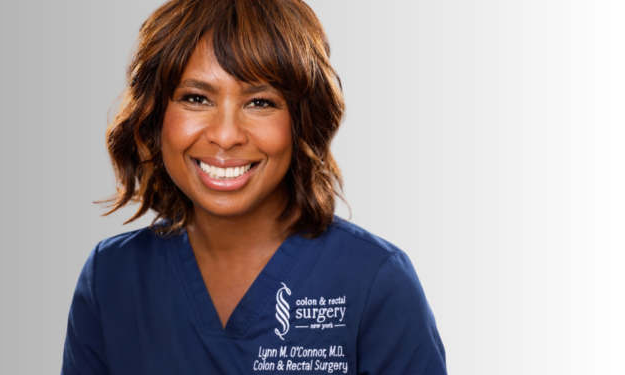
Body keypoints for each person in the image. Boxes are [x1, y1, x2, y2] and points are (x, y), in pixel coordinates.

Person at [61, 0, 446, 373]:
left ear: (302, 122)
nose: (226, 135)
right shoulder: (110, 278)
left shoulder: (374, 281)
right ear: (154, 116)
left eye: (260, 102)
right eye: (196, 98)